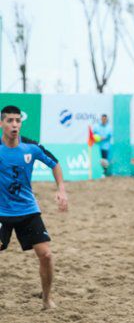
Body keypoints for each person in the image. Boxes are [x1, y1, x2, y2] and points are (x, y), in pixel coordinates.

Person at [0, 105, 68, 310]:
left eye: (17, 121)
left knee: (46, 255)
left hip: (27, 211)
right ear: (1, 123)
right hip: (1, 213)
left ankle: (47, 300)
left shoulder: (31, 146)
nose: (14, 125)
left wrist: (62, 190)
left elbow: (55, 163)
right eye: (10, 121)